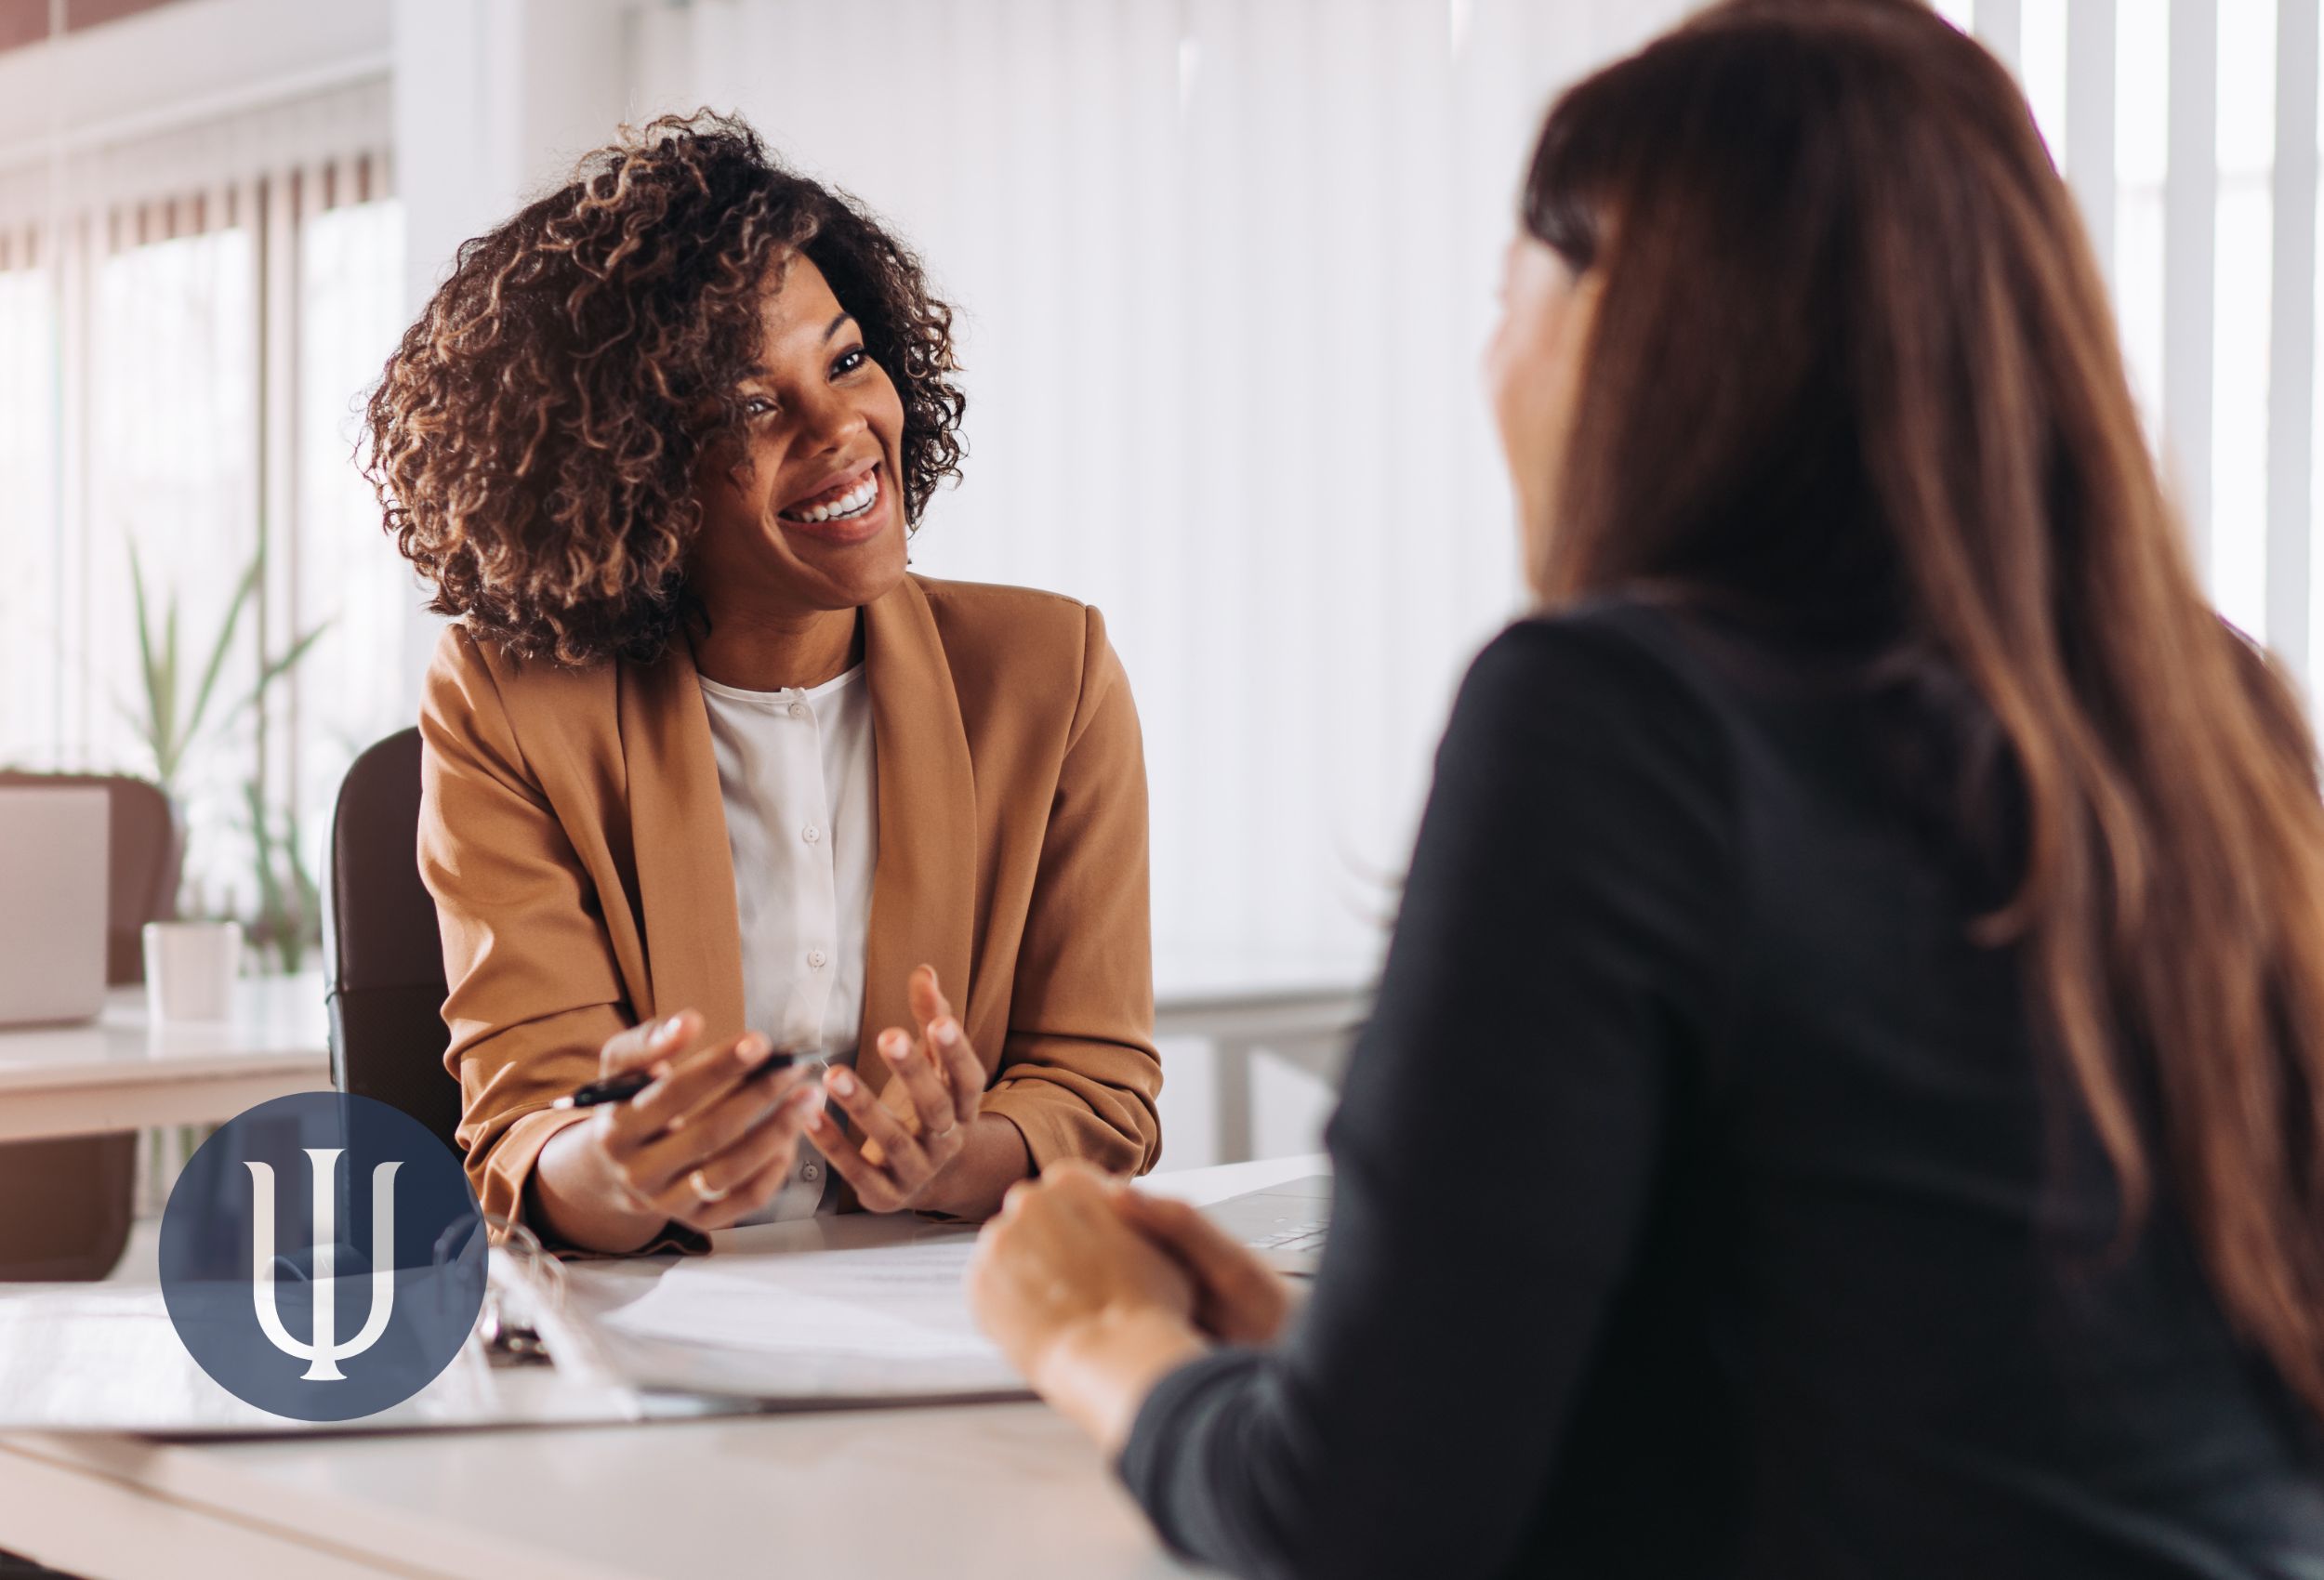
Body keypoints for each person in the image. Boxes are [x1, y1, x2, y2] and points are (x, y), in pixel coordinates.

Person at [966, 3, 2324, 1574]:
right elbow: (1934, 1399)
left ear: (1634, 322)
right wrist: (1339, 1370)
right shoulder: (2210, 712)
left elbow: (1352, 1538)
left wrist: (1098, 1338)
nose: (1490, 361)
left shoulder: (1614, 717)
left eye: (1507, 296)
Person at [363, 113, 1161, 1256]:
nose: (841, 428)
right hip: (650, 1322)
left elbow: (1101, 1089)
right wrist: (625, 1161)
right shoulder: (509, 702)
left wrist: (952, 1156)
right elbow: (525, 1132)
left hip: (943, 1315)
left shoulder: (1049, 672)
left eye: (845, 361)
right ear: (629, 471)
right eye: (750, 404)